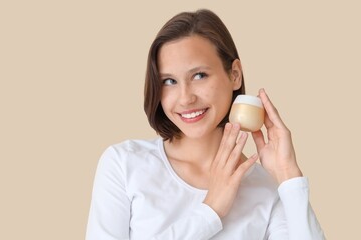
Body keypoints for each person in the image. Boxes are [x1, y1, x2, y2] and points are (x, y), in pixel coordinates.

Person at [86, 9, 325, 240]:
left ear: (235, 75)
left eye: (199, 75)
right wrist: (211, 211)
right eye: (169, 81)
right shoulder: (124, 164)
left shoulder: (268, 188)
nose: (185, 98)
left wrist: (288, 176)